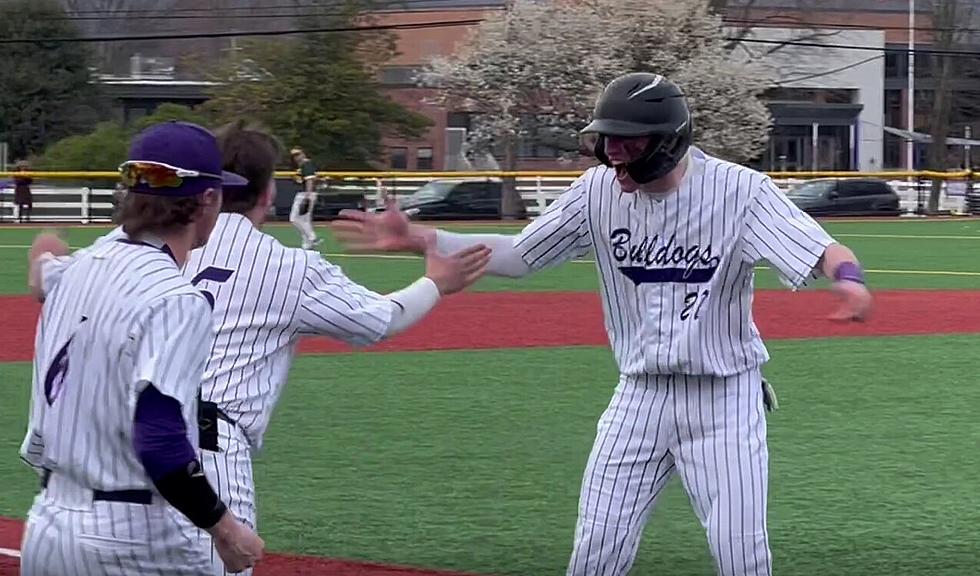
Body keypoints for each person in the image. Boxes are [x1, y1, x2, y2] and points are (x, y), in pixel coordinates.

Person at [331, 72, 873, 576]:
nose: (611, 150)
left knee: (740, 550)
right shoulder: (596, 190)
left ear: (666, 142)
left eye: (626, 140)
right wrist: (424, 241)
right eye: (606, 138)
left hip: (723, 397)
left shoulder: (739, 191)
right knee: (597, 547)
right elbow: (522, 255)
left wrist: (849, 280)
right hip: (637, 396)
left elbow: (826, 249)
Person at [30, 119, 492, 576]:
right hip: (179, 487)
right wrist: (435, 283)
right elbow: (380, 319)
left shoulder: (82, 266)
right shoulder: (243, 278)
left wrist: (44, 251)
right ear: (251, 194)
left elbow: (43, 274)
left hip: (51, 518)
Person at [19, 121, 264, 575]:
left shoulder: (74, 271)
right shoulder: (176, 298)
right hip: (130, 540)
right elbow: (159, 440)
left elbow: (41, 275)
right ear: (208, 200)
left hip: (47, 527)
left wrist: (42, 255)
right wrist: (226, 531)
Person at [289, 146, 321, 249]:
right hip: (307, 193)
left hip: (305, 194)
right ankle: (307, 244)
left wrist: (307, 196)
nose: (296, 157)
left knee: (294, 219)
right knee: (305, 220)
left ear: (303, 153)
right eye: (294, 155)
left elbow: (309, 180)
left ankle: (312, 237)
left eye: (298, 154)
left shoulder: (307, 165)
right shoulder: (303, 165)